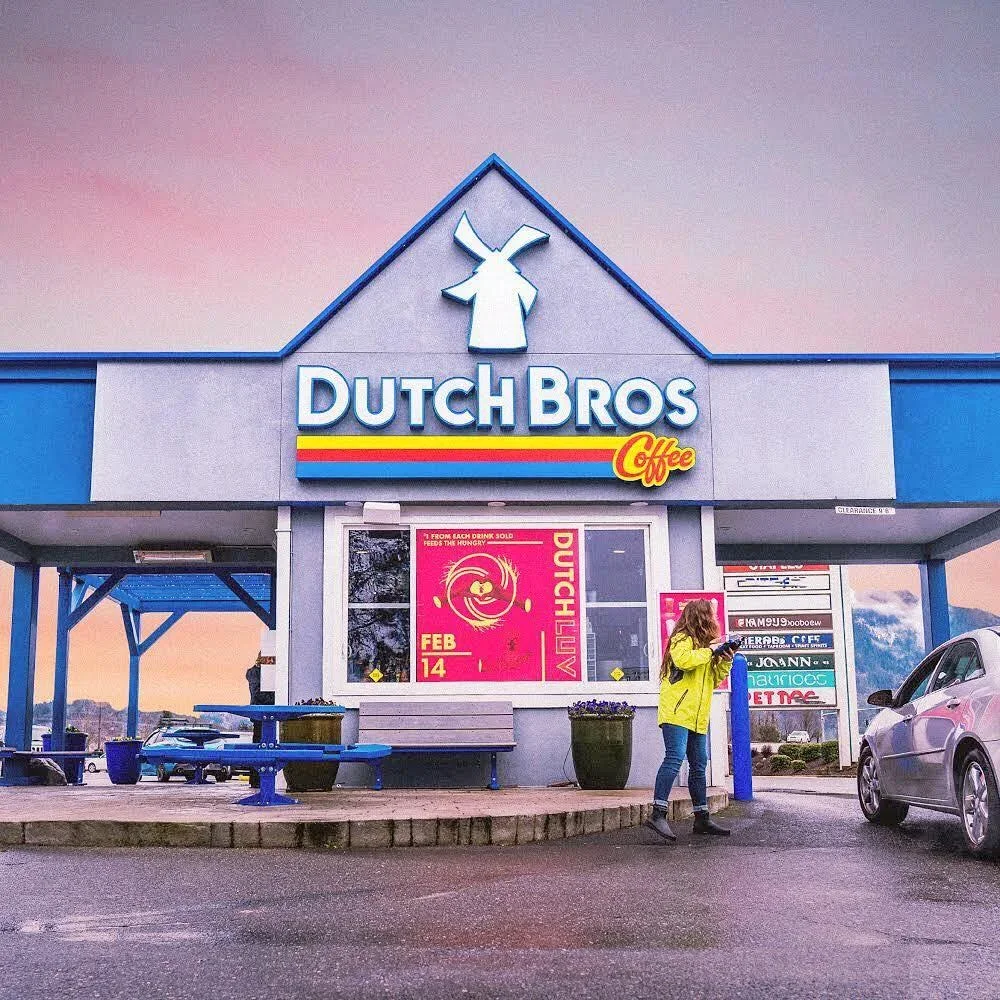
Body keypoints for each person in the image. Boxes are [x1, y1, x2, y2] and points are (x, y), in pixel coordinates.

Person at [645, 599, 734, 841]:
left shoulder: (704, 649)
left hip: (696, 716)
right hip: (676, 713)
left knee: (699, 764)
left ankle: (701, 818)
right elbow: (684, 660)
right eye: (711, 615)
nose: (714, 620)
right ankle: (658, 813)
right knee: (674, 759)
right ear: (701, 617)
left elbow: (714, 680)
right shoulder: (681, 639)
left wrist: (725, 659)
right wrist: (710, 652)